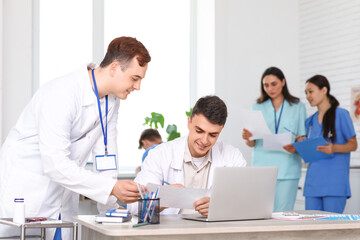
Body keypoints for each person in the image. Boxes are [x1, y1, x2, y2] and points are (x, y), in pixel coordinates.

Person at [0, 36, 150, 239]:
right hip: (28, 197)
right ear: (114, 68)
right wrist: (111, 188)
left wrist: (111, 208)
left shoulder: (111, 102)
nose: (138, 87)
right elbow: (55, 163)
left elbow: (106, 157)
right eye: (135, 78)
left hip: (62, 201)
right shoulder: (62, 94)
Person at [127, 95, 247, 216]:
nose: (204, 140)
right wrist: (163, 200)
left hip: (213, 232)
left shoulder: (232, 157)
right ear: (189, 123)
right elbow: (133, 205)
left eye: (213, 135)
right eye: (199, 131)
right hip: (170, 232)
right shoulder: (160, 154)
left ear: (221, 130)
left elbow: (247, 203)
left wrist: (219, 207)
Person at [285, 75, 357, 213]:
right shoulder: (309, 121)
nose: (307, 96)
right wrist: (297, 146)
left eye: (310, 91)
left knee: (332, 229)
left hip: (334, 184)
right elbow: (310, 149)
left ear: (324, 90)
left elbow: (353, 144)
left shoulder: (341, 114)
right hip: (313, 184)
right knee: (311, 229)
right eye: (306, 93)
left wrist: (333, 148)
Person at [242, 66, 306, 212]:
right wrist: (247, 137)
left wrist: (297, 145)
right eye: (266, 85)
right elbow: (252, 143)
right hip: (262, 167)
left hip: (288, 168)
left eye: (274, 84)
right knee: (262, 213)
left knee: (284, 214)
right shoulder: (256, 106)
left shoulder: (298, 106)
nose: (270, 88)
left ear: (283, 82)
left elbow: (302, 137)